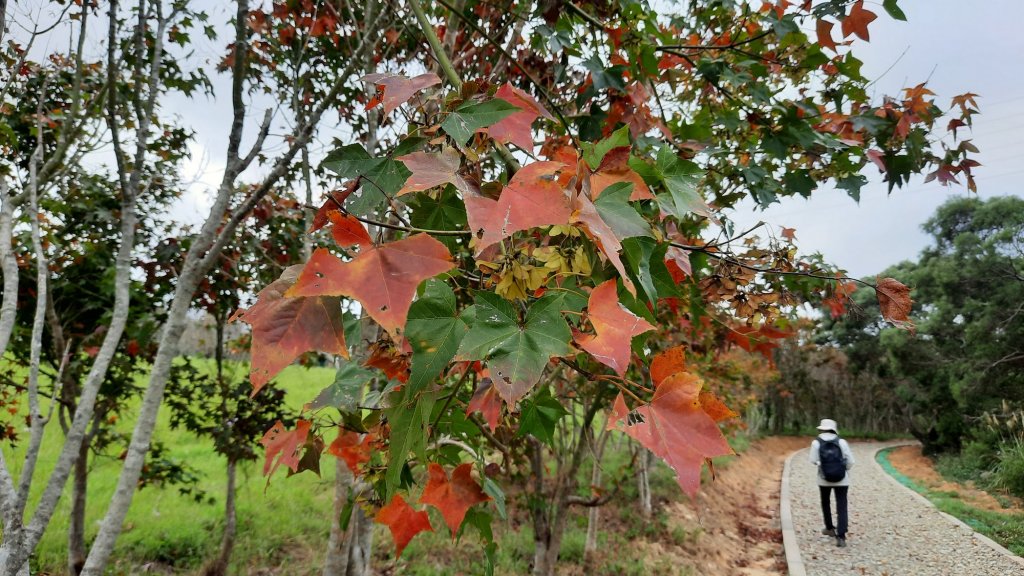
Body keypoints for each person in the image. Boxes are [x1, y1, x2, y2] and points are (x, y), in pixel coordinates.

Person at [808, 418, 855, 547]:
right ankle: (841, 536)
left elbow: (812, 460)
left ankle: (829, 528)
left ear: (821, 428)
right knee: (842, 504)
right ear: (834, 429)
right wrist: (843, 469)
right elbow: (851, 461)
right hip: (842, 479)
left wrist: (822, 465)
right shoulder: (842, 442)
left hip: (823, 479)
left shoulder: (816, 443)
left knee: (825, 501)